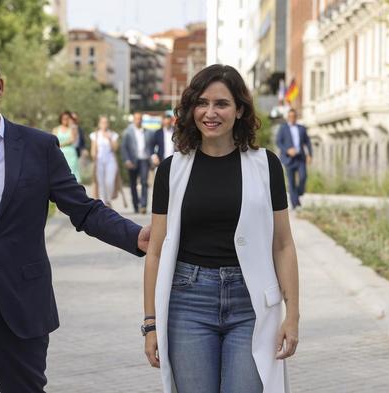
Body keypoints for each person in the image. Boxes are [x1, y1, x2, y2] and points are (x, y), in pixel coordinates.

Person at [0, 47, 150, 393]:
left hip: (20, 310)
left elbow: (83, 209)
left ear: (1, 87)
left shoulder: (39, 147)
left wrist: (135, 236)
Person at [143, 64, 299, 393]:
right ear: (191, 109)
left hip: (251, 303)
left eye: (222, 104)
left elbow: (282, 244)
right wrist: (150, 324)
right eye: (202, 103)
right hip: (188, 303)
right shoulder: (171, 170)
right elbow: (155, 250)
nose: (210, 113)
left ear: (239, 109)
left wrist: (293, 315)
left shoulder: (266, 165)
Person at [276, 108, 313, 209]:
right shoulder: (283, 128)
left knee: (303, 177)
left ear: (296, 117)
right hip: (288, 159)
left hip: (300, 158)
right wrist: (287, 150)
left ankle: (299, 193)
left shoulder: (301, 128)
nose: (292, 118)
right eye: (290, 116)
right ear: (288, 117)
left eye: (294, 116)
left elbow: (307, 142)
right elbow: (278, 142)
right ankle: (295, 204)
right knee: (291, 182)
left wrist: (310, 154)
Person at [121, 112, 154, 214]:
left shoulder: (147, 132)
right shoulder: (128, 132)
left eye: (140, 119)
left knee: (144, 182)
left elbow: (151, 146)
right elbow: (124, 147)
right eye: (136, 119)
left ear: (142, 120)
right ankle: (136, 205)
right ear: (133, 120)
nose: (138, 120)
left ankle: (143, 205)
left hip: (144, 159)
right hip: (132, 160)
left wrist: (152, 157)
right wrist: (126, 160)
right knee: (133, 183)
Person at [90, 115, 119, 207]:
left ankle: (108, 199)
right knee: (101, 182)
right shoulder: (95, 135)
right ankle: (103, 202)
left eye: (106, 122)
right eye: (102, 122)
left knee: (109, 181)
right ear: (99, 124)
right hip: (99, 160)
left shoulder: (113, 135)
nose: (104, 124)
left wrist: (109, 139)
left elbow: (115, 148)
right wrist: (93, 157)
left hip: (110, 160)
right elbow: (93, 149)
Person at [53, 111, 80, 182]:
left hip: (70, 153)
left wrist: (61, 144)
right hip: (60, 153)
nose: (65, 120)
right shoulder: (56, 129)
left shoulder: (73, 129)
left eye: (67, 118)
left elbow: (72, 140)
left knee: (72, 172)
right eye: (64, 118)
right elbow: (53, 140)